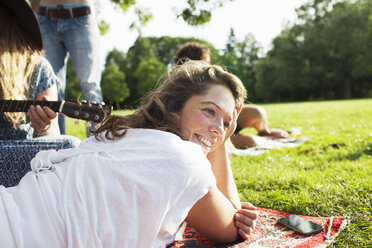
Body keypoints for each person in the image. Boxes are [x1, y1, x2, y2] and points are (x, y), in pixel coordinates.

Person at [0, 60, 257, 247]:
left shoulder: (121, 135)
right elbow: (231, 229)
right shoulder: (183, 160)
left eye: (226, 124)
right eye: (210, 111)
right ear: (176, 107)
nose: (218, 129)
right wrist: (222, 143)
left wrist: (218, 133)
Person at [174, 41, 289, 149]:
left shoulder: (211, 80)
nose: (209, 64)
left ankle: (266, 132)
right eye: (206, 60)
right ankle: (267, 138)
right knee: (251, 141)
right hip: (206, 128)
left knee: (257, 113)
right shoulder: (178, 85)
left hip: (222, 120)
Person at [30, 0, 103, 135]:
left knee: (90, 87)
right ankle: (57, 148)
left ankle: (98, 148)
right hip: (44, 19)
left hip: (81, 16)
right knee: (50, 88)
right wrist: (32, 16)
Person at [0, 0, 60, 139]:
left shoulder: (37, 68)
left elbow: (52, 137)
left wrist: (44, 126)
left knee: (68, 144)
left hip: (16, 152)